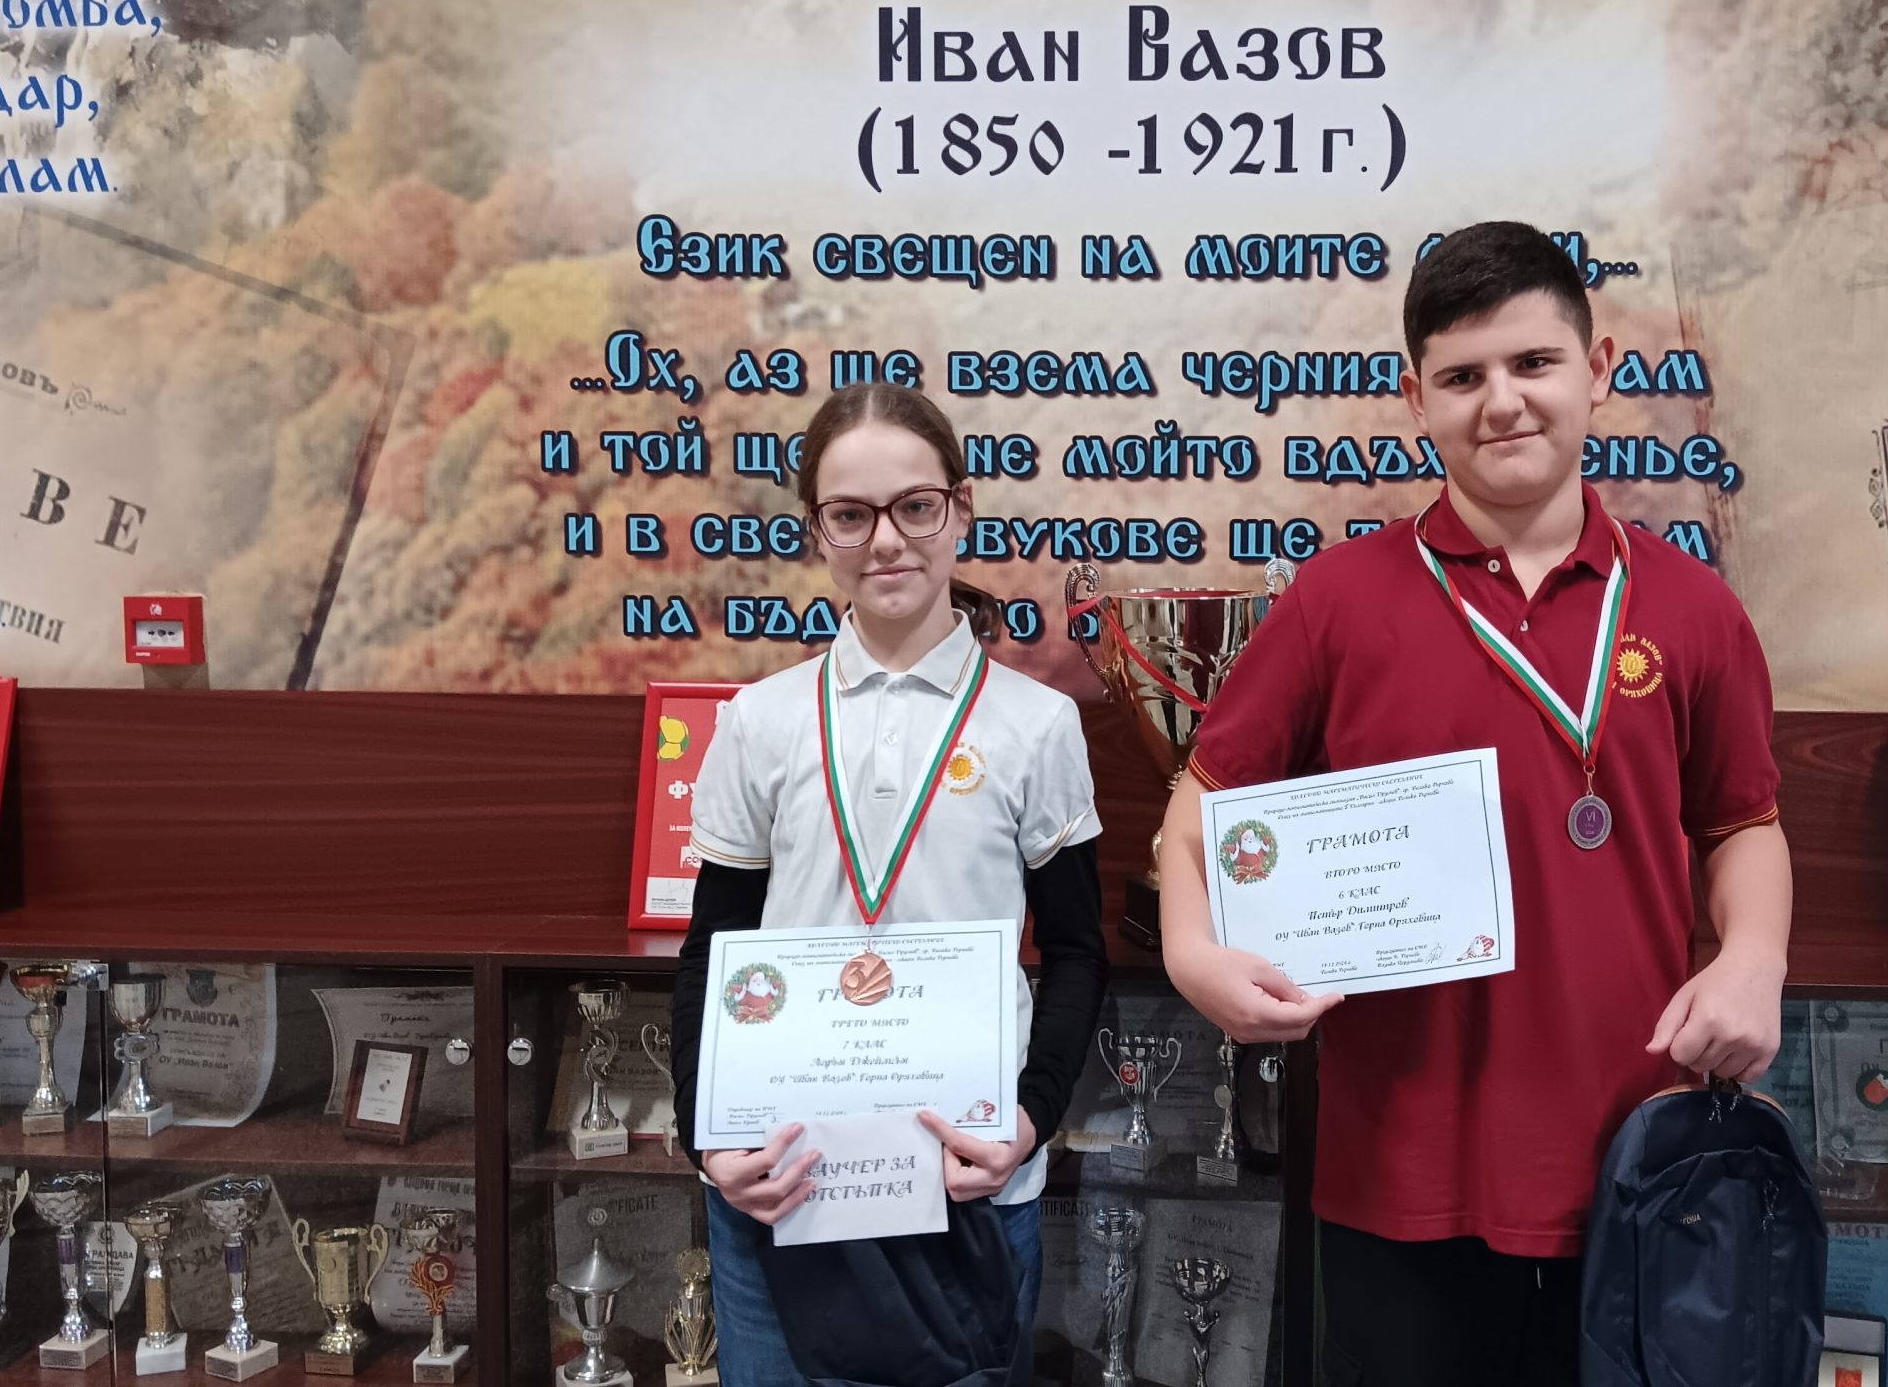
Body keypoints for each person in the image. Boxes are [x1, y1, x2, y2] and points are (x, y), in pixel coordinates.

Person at [1155, 221, 1794, 1387]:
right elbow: (1205, 793)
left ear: (1598, 369)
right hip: (1401, 1171)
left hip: (1636, 1159)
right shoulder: (1338, 600)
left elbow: (1741, 822)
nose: (1502, 401)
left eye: (1532, 362)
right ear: (1416, 398)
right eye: (1461, 376)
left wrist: (1754, 955)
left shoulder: (1694, 609)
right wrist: (1191, 950)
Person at [667, 382, 1110, 1386]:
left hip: (966, 1182)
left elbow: (1079, 951)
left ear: (960, 509)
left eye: (915, 506)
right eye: (850, 514)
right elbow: (712, 950)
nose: (886, 541)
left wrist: (1027, 1121)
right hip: (781, 1182)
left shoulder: (1035, 725)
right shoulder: (762, 720)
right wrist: (708, 1142)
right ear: (815, 528)